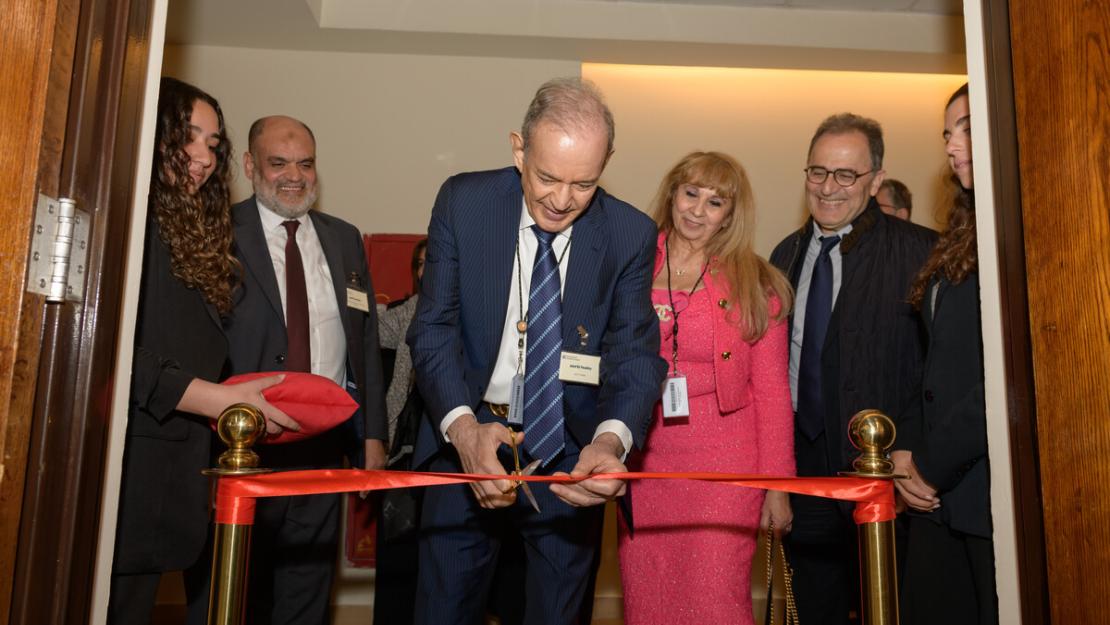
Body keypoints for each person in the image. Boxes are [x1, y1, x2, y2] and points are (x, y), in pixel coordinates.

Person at [406, 76, 667, 625]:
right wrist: (461, 429)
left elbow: (634, 354)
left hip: (571, 456)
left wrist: (609, 440)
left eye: (583, 183)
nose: (561, 200)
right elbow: (433, 330)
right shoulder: (465, 202)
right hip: (468, 442)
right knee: (444, 609)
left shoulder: (629, 233)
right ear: (518, 148)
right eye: (547, 177)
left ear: (608, 162)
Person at [108, 78, 299, 624]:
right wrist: (213, 399)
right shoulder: (127, 221)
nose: (203, 157)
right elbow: (119, 357)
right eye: (188, 137)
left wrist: (230, 392)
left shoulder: (182, 229)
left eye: (213, 144)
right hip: (129, 478)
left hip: (167, 474)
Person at [769, 113, 936, 625]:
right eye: (817, 172)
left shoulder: (922, 254)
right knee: (815, 606)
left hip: (887, 475)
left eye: (846, 174)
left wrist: (915, 452)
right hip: (806, 469)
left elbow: (942, 372)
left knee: (890, 608)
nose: (828, 187)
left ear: (876, 180)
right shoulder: (785, 254)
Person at [221, 115, 388, 624]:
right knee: (234, 587)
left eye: (306, 163)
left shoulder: (344, 239)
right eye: (278, 163)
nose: (295, 176)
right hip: (241, 445)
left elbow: (364, 343)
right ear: (250, 166)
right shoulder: (222, 233)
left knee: (307, 591)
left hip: (323, 444)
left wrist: (373, 437)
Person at [617, 151, 795, 624]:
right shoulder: (629, 265)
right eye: (690, 193)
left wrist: (777, 488)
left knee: (716, 598)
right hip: (645, 457)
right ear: (672, 192)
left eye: (715, 202)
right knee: (647, 597)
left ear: (731, 215)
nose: (697, 210)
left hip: (727, 465)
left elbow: (774, 393)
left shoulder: (758, 284)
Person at [893, 83, 998, 625]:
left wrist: (932, 466)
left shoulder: (1019, 227)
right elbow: (933, 365)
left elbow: (1002, 379)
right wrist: (909, 450)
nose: (952, 146)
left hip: (984, 491)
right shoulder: (966, 230)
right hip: (939, 494)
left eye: (966, 128)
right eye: (947, 134)